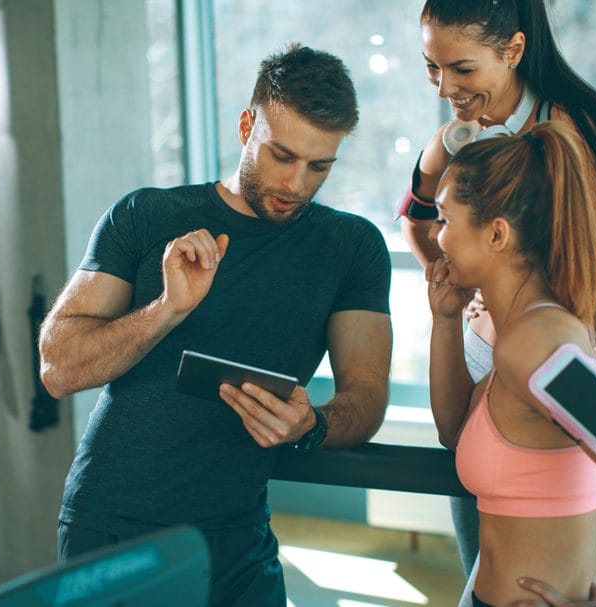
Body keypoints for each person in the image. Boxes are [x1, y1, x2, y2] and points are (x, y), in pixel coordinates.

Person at [38, 43, 393, 607]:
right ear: (247, 125)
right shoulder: (147, 215)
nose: (298, 184)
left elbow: (368, 396)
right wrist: (167, 309)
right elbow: (58, 367)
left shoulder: (351, 248)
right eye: (282, 155)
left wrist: (311, 424)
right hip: (111, 526)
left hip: (237, 537)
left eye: (319, 166)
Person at [394, 0, 596, 588]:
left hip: (557, 360)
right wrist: (456, 286)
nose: (445, 88)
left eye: (461, 69)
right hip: (485, 351)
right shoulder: (455, 140)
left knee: (561, 554)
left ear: (513, 50)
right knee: (486, 539)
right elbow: (412, 219)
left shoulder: (575, 128)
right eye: (432, 68)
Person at [425, 121, 596, 607]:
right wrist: (446, 320)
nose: (437, 238)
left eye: (445, 219)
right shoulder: (528, 336)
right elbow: (454, 432)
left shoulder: (538, 345)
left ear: (497, 234)